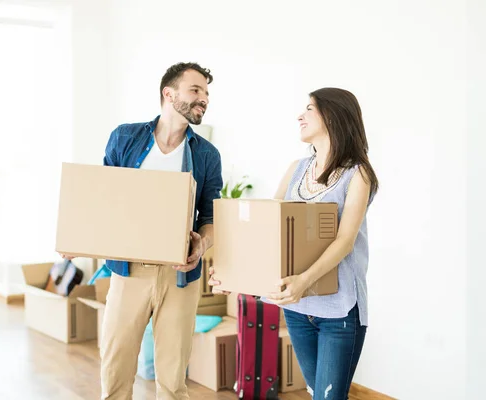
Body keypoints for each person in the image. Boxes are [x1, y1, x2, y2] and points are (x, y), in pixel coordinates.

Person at [63, 62, 222, 400]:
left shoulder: (207, 155)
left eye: (206, 93)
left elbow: (211, 216)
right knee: (116, 368)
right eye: (196, 90)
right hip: (128, 271)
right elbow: (104, 197)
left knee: (173, 378)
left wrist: (202, 245)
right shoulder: (126, 137)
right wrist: (80, 238)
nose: (204, 99)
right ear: (169, 93)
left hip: (180, 276)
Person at [210, 87, 378, 400]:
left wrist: (303, 280)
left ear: (333, 115)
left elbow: (344, 241)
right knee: (316, 392)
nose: (300, 115)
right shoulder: (297, 169)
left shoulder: (358, 174)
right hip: (297, 307)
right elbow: (266, 231)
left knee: (329, 397)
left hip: (339, 308)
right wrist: (232, 276)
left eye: (310, 109)